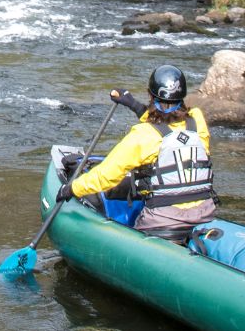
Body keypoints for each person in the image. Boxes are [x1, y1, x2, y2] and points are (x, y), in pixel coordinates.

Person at [57, 65, 215, 240]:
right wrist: (133, 104)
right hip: (204, 216)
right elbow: (170, 127)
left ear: (150, 94)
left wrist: (71, 188)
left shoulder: (142, 135)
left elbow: (106, 176)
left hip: (163, 222)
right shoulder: (197, 121)